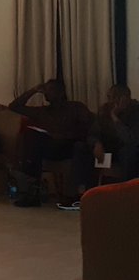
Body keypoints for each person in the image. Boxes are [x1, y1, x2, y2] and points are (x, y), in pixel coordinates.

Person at [8, 79, 93, 208]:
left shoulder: (75, 107)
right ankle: (34, 190)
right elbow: (14, 107)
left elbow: (88, 127)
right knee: (32, 136)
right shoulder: (43, 111)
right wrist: (34, 90)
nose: (47, 93)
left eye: (51, 90)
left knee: (79, 147)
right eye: (45, 90)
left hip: (69, 146)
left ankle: (71, 196)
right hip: (50, 148)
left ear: (61, 92)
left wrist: (64, 135)